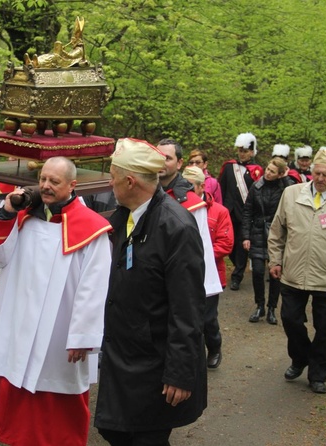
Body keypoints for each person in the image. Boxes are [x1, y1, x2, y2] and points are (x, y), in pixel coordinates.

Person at [0, 156, 112, 446]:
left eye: (54, 181)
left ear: (73, 185)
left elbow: (94, 287)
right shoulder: (23, 215)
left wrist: (82, 337)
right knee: (17, 395)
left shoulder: (92, 229)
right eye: (43, 180)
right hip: (19, 321)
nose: (46, 187)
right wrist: (6, 213)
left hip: (59, 332)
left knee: (58, 403)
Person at [94, 138, 207, 445]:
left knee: (146, 437)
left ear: (130, 182)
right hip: (124, 355)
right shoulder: (123, 216)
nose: (110, 184)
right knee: (116, 430)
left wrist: (180, 373)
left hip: (154, 361)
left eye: (114, 179)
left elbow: (188, 306)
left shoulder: (176, 227)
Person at [268, 148, 326, 395]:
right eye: (316, 173)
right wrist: (275, 259)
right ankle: (301, 357)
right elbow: (277, 232)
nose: (320, 178)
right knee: (290, 319)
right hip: (293, 274)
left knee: (325, 329)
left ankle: (318, 374)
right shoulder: (291, 193)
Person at [156, 138, 223, 366]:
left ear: (179, 162)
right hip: (156, 276)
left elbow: (201, 247)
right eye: (158, 156)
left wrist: (202, 287)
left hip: (184, 276)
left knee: (201, 323)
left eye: (168, 158)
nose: (162, 162)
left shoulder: (192, 203)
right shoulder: (145, 194)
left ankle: (212, 348)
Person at [184, 165, 234, 369]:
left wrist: (198, 256)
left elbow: (226, 243)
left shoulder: (219, 211)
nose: (185, 191)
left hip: (210, 274)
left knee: (208, 319)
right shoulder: (179, 206)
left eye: (190, 187)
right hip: (185, 273)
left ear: (201, 186)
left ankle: (214, 347)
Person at [242, 157, 290, 325]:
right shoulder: (256, 186)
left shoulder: (286, 188)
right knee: (257, 271)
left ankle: (272, 308)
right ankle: (260, 305)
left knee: (275, 273)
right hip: (257, 232)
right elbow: (247, 211)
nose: (268, 173)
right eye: (267, 169)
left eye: (272, 171)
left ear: (280, 174)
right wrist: (246, 236)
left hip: (277, 233)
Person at [219, 132, 264, 291]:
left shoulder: (257, 170)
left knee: (241, 245)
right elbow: (221, 189)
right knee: (229, 245)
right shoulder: (229, 167)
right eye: (240, 150)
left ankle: (237, 276)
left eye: (245, 151)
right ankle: (237, 267)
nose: (242, 154)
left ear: (252, 152)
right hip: (229, 212)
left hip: (245, 214)